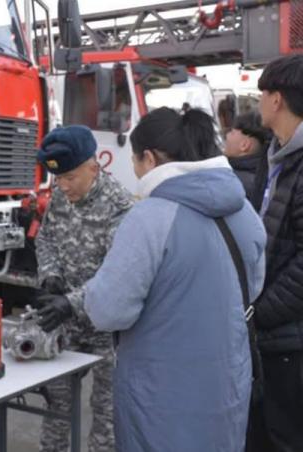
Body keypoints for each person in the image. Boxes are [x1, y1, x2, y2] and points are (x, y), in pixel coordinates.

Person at [84, 107, 266, 452]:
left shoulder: (149, 217)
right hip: (227, 385)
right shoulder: (243, 210)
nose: (135, 170)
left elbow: (108, 311)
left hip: (161, 397)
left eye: (135, 161)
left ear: (150, 159)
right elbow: (252, 288)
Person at [34, 125, 133, 452]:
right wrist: (50, 275)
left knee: (107, 415)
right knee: (56, 407)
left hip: (107, 330)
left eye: (69, 177)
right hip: (68, 326)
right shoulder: (61, 197)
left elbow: (118, 276)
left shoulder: (118, 205)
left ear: (93, 166)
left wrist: (70, 302)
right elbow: (46, 238)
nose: (62, 186)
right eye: (57, 178)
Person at [253, 54, 303, 452]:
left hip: (289, 336)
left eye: (262, 94)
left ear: (276, 99)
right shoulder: (277, 156)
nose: (258, 103)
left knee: (285, 436)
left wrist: (261, 313)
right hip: (273, 332)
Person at [224, 112, 272, 211]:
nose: (227, 135)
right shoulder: (266, 174)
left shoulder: (234, 181)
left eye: (232, 132)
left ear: (244, 145)